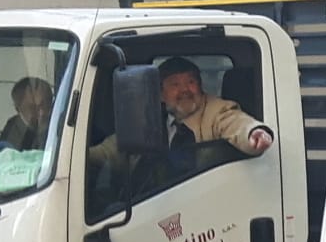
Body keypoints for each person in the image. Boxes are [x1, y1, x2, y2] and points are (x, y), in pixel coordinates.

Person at [87, 56, 273, 173]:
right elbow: (112, 151)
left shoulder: (216, 110)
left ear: (200, 86)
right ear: (160, 94)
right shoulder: (150, 116)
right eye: (175, 84)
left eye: (191, 81)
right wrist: (82, 158)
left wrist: (253, 133)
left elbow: (235, 123)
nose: (185, 89)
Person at [0, 76, 54, 151]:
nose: (42, 113)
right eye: (34, 108)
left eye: (48, 104)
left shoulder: (58, 116)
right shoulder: (13, 142)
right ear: (18, 109)